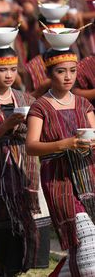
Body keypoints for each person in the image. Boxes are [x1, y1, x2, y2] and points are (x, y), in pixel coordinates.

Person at [0, 47, 49, 276]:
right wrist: (5, 125)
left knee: (23, 230)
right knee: (1, 230)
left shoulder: (26, 98)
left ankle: (11, 269)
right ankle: (0, 263)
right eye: (2, 70)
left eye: (12, 69)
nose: (8, 75)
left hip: (24, 171)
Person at [26, 48, 95, 276]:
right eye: (61, 71)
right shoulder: (40, 107)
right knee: (87, 246)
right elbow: (31, 146)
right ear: (49, 73)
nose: (68, 77)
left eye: (73, 71)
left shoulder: (84, 104)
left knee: (86, 249)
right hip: (59, 182)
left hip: (89, 176)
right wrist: (65, 144)